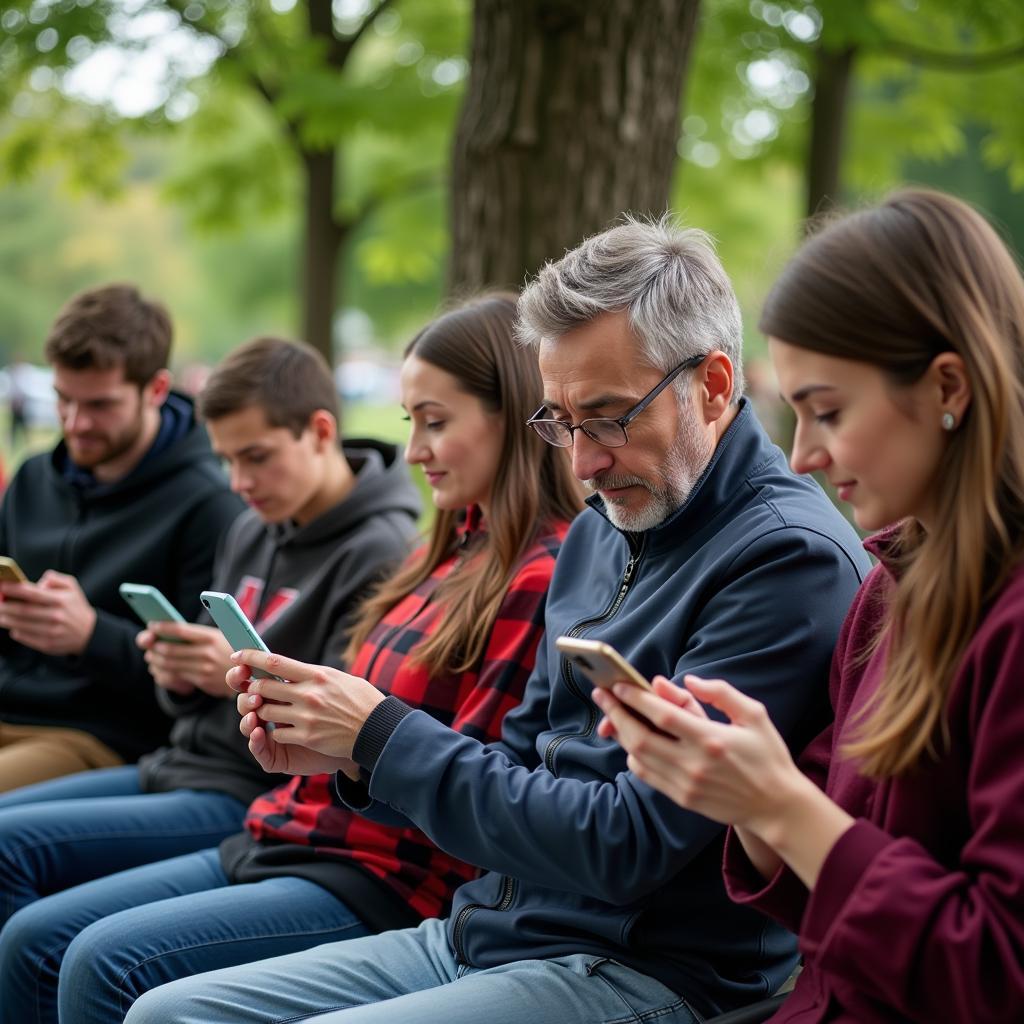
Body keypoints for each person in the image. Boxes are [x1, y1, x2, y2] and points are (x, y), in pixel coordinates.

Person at [125, 218, 870, 1024]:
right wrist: (351, 755)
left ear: (716, 386)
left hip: (642, 969)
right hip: (490, 931)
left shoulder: (786, 560)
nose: (582, 462)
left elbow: (627, 845)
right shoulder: (600, 529)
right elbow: (516, 761)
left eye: (609, 417)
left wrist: (382, 736)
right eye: (560, 421)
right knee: (165, 1013)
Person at [4, 296, 582, 1024]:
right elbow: (378, 740)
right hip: (287, 819)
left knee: (98, 958)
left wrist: (336, 734)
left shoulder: (524, 570)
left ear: (514, 417)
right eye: (411, 423)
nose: (414, 450)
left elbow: (476, 784)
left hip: (367, 867)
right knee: (39, 938)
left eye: (435, 422)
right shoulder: (447, 550)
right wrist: (292, 727)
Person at [594, 190, 1024, 1024]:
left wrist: (775, 803)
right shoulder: (888, 592)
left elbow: (996, 972)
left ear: (948, 387)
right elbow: (816, 884)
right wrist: (739, 780)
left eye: (827, 410)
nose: (803, 456)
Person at [0, 334, 422, 989]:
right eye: (226, 460)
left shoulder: (382, 552)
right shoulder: (251, 525)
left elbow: (349, 730)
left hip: (254, 790)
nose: (239, 483)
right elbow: (191, 696)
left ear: (319, 431)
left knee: (25, 881)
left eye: (255, 457)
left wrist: (230, 678)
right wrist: (178, 673)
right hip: (176, 763)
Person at [0, 284, 242, 790]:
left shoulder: (210, 505)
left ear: (155, 389)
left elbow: (198, 679)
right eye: (63, 400)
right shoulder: (33, 477)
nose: (75, 423)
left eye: (100, 405)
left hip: (101, 737)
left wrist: (92, 636)